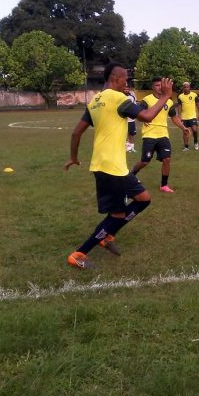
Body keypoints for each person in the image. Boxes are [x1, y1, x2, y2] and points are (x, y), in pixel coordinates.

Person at [63, 64, 173, 269]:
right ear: (116, 78)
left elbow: (76, 132)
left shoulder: (95, 101)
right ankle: (80, 253)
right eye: (126, 79)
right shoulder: (117, 99)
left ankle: (108, 234)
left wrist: (73, 157)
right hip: (110, 167)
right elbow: (147, 116)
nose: (127, 82)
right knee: (117, 214)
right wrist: (166, 96)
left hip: (114, 166)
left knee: (143, 199)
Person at [130, 77, 190, 193]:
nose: (160, 87)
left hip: (163, 135)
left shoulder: (168, 101)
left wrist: (183, 127)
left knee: (167, 159)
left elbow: (174, 117)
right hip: (149, 135)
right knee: (145, 161)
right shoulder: (147, 100)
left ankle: (164, 185)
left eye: (161, 85)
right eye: (157, 85)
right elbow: (138, 114)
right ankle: (131, 174)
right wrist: (143, 118)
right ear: (153, 87)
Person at [177, 81, 199, 150]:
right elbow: (179, 107)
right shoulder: (180, 96)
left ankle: (196, 142)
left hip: (193, 116)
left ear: (189, 87)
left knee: (194, 130)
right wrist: (179, 116)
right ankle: (186, 146)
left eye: (187, 87)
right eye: (184, 87)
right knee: (185, 132)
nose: (186, 88)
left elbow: (198, 104)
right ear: (183, 88)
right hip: (184, 117)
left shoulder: (194, 95)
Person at [125, 85, 137, 153]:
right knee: (123, 134)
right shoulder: (121, 96)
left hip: (131, 119)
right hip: (123, 120)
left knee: (132, 134)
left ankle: (132, 147)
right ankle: (126, 147)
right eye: (125, 89)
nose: (126, 90)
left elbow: (135, 106)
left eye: (127, 89)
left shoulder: (132, 97)